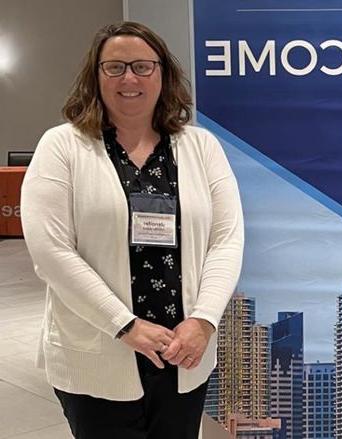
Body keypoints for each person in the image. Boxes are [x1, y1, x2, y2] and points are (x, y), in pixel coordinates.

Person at [20, 21, 244, 438]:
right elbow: (50, 250)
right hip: (100, 346)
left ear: (163, 74)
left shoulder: (201, 147)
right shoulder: (62, 146)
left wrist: (204, 321)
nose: (130, 78)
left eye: (143, 66)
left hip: (183, 348)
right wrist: (125, 324)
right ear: (96, 76)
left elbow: (226, 239)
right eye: (115, 67)